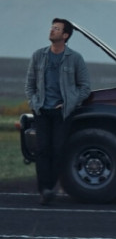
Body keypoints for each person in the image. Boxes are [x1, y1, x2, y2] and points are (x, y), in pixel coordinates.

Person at [25, 18, 91, 205]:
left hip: (63, 113)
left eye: (57, 29)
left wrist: (70, 102)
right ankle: (44, 190)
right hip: (42, 111)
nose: (52, 31)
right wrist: (34, 103)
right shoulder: (38, 56)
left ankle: (50, 186)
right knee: (42, 149)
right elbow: (29, 85)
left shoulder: (75, 58)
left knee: (58, 149)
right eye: (52, 27)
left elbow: (85, 87)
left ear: (65, 35)